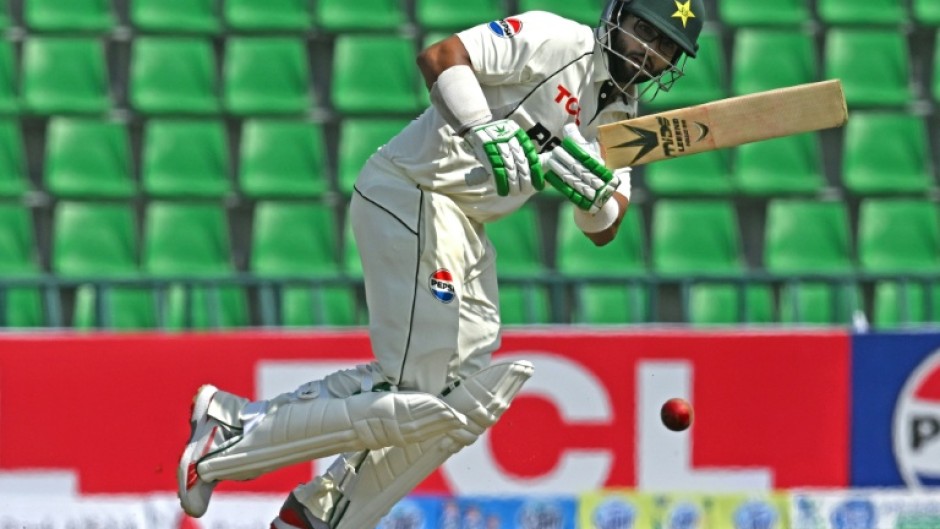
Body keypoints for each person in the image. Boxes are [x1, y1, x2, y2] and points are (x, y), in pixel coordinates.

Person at [176, 0, 704, 527]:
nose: (647, 53)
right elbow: (441, 56)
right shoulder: (555, 39)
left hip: (464, 227)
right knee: (418, 391)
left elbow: (606, 229)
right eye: (643, 32)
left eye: (664, 49)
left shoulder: (624, 119)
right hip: (412, 188)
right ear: (616, 17)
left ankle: (324, 508)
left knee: (459, 403)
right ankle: (236, 428)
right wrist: (484, 126)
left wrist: (595, 199)